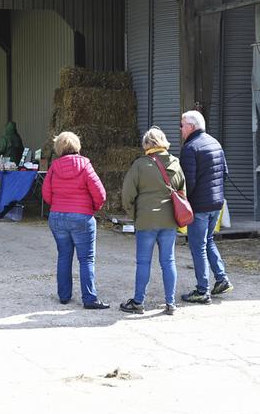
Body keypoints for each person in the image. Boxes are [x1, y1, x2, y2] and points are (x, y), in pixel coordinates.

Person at [120, 127, 184, 315]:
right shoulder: (176, 163)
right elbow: (182, 192)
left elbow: (127, 194)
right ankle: (170, 303)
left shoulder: (140, 165)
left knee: (143, 263)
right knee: (168, 261)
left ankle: (138, 302)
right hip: (169, 221)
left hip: (146, 220)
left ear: (147, 144)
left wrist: (134, 214)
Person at [41, 131, 108, 309]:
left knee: (64, 256)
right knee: (86, 259)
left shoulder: (54, 167)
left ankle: (64, 296)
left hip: (57, 217)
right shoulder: (85, 165)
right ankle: (89, 299)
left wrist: (58, 205)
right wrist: (91, 209)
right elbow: (100, 193)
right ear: (76, 145)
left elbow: (46, 194)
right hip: (81, 217)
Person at [179, 110, 233, 304]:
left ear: (191, 126)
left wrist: (182, 203)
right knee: (208, 240)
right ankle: (221, 279)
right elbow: (224, 172)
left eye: (182, 125)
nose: (180, 128)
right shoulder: (215, 142)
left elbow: (188, 183)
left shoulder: (190, 148)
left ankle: (202, 290)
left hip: (200, 206)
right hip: (216, 203)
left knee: (198, 246)